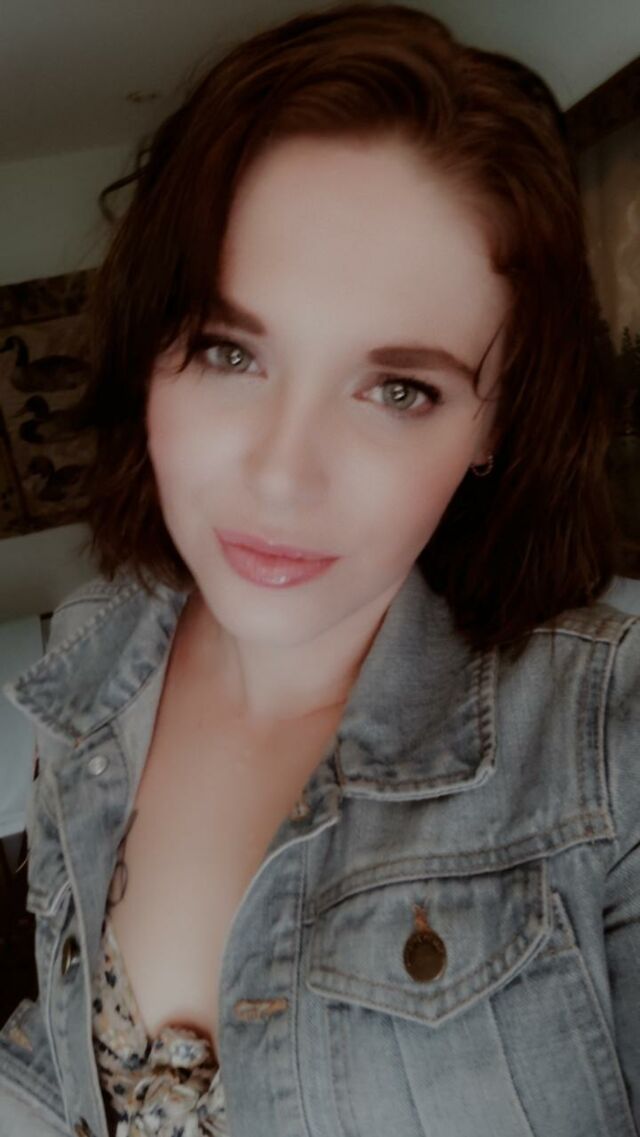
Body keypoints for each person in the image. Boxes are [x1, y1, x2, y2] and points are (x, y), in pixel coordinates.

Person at [1, 3, 638, 1134]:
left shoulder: (606, 737)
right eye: (228, 350)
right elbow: (61, 1055)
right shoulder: (94, 649)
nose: (281, 476)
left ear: (494, 422)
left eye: (399, 389)